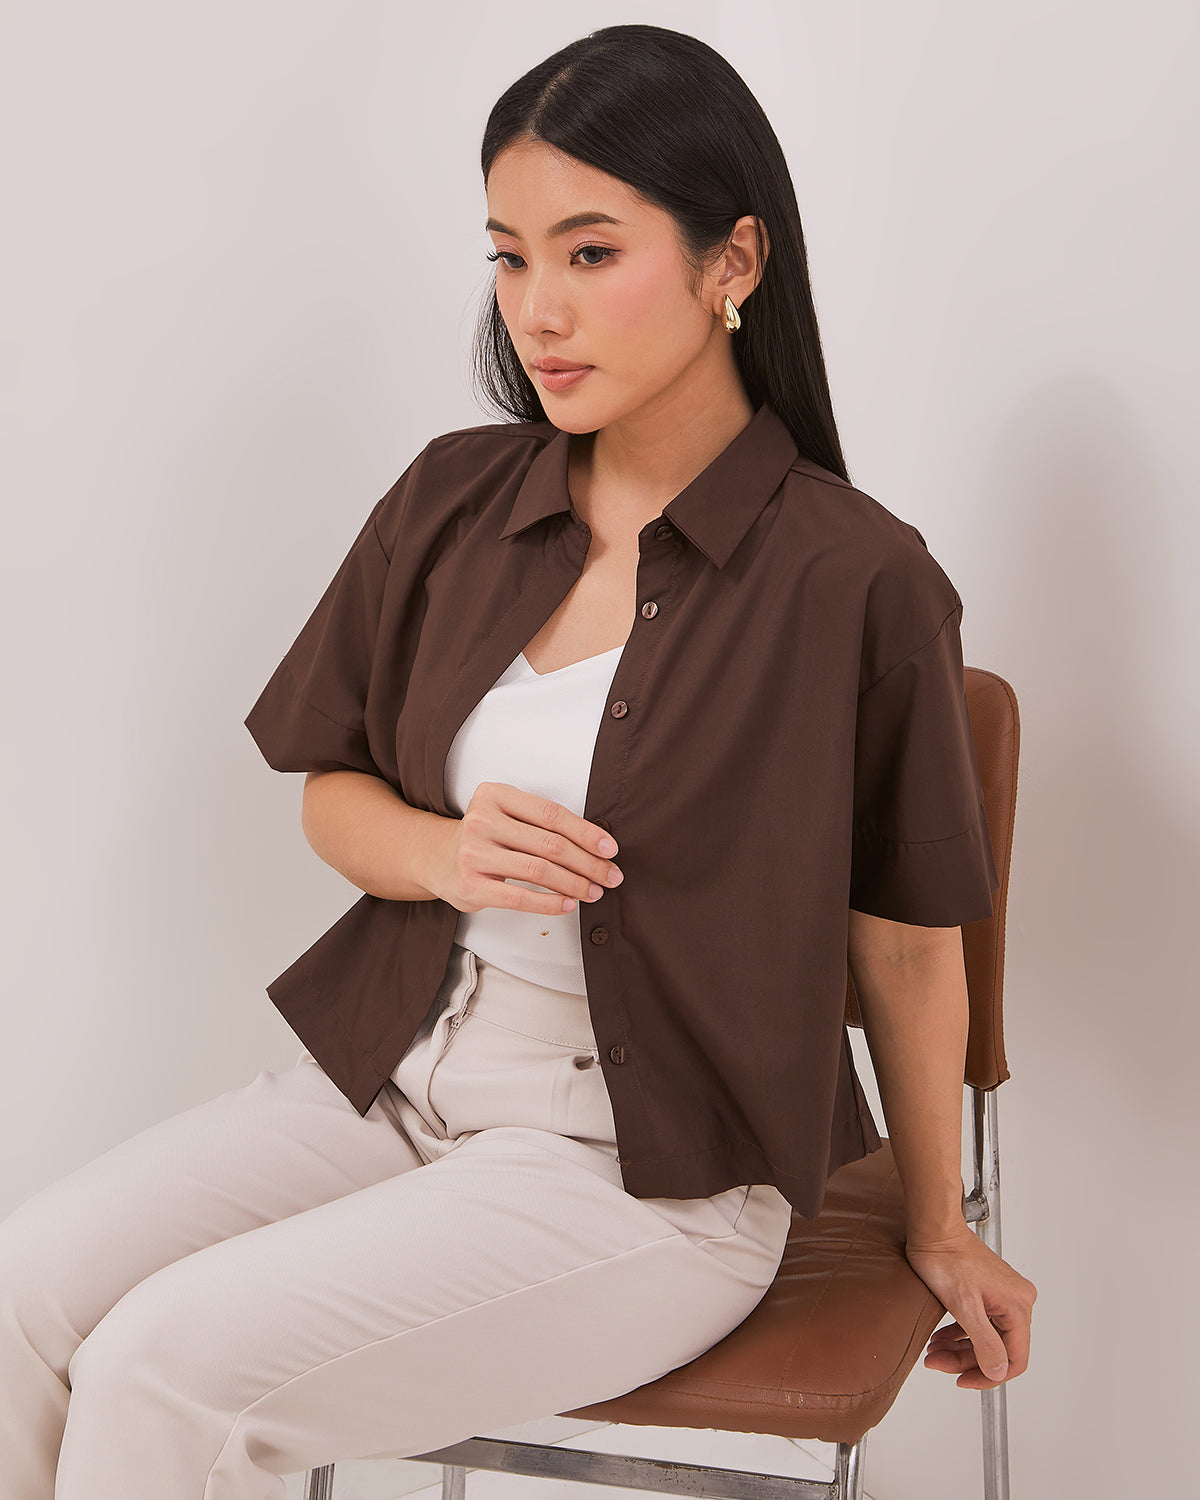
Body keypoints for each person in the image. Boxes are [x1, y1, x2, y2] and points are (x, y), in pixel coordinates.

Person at [0, 22, 1036, 1498]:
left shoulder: (855, 578)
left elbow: (909, 940)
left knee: (164, 1371)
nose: (538, 309)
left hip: (639, 1173)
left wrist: (935, 1222)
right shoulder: (453, 497)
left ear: (734, 262)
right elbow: (334, 793)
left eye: (591, 252)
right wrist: (441, 851)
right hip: (389, 1085)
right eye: (508, 257)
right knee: (20, 1302)